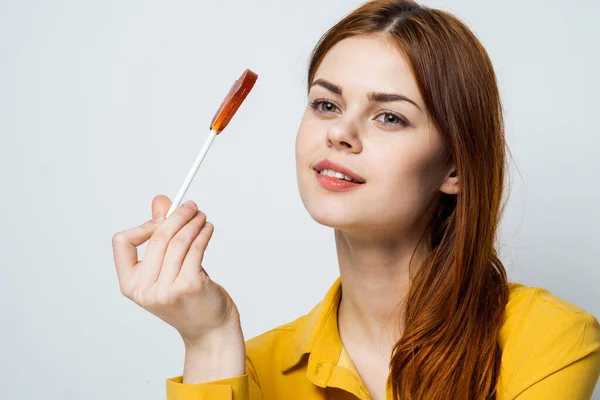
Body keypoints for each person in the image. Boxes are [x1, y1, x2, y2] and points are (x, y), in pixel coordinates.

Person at [111, 0, 600, 399]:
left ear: (455, 167)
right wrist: (209, 339)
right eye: (326, 104)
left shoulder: (551, 341)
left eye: (389, 117)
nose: (340, 132)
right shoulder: (245, 372)